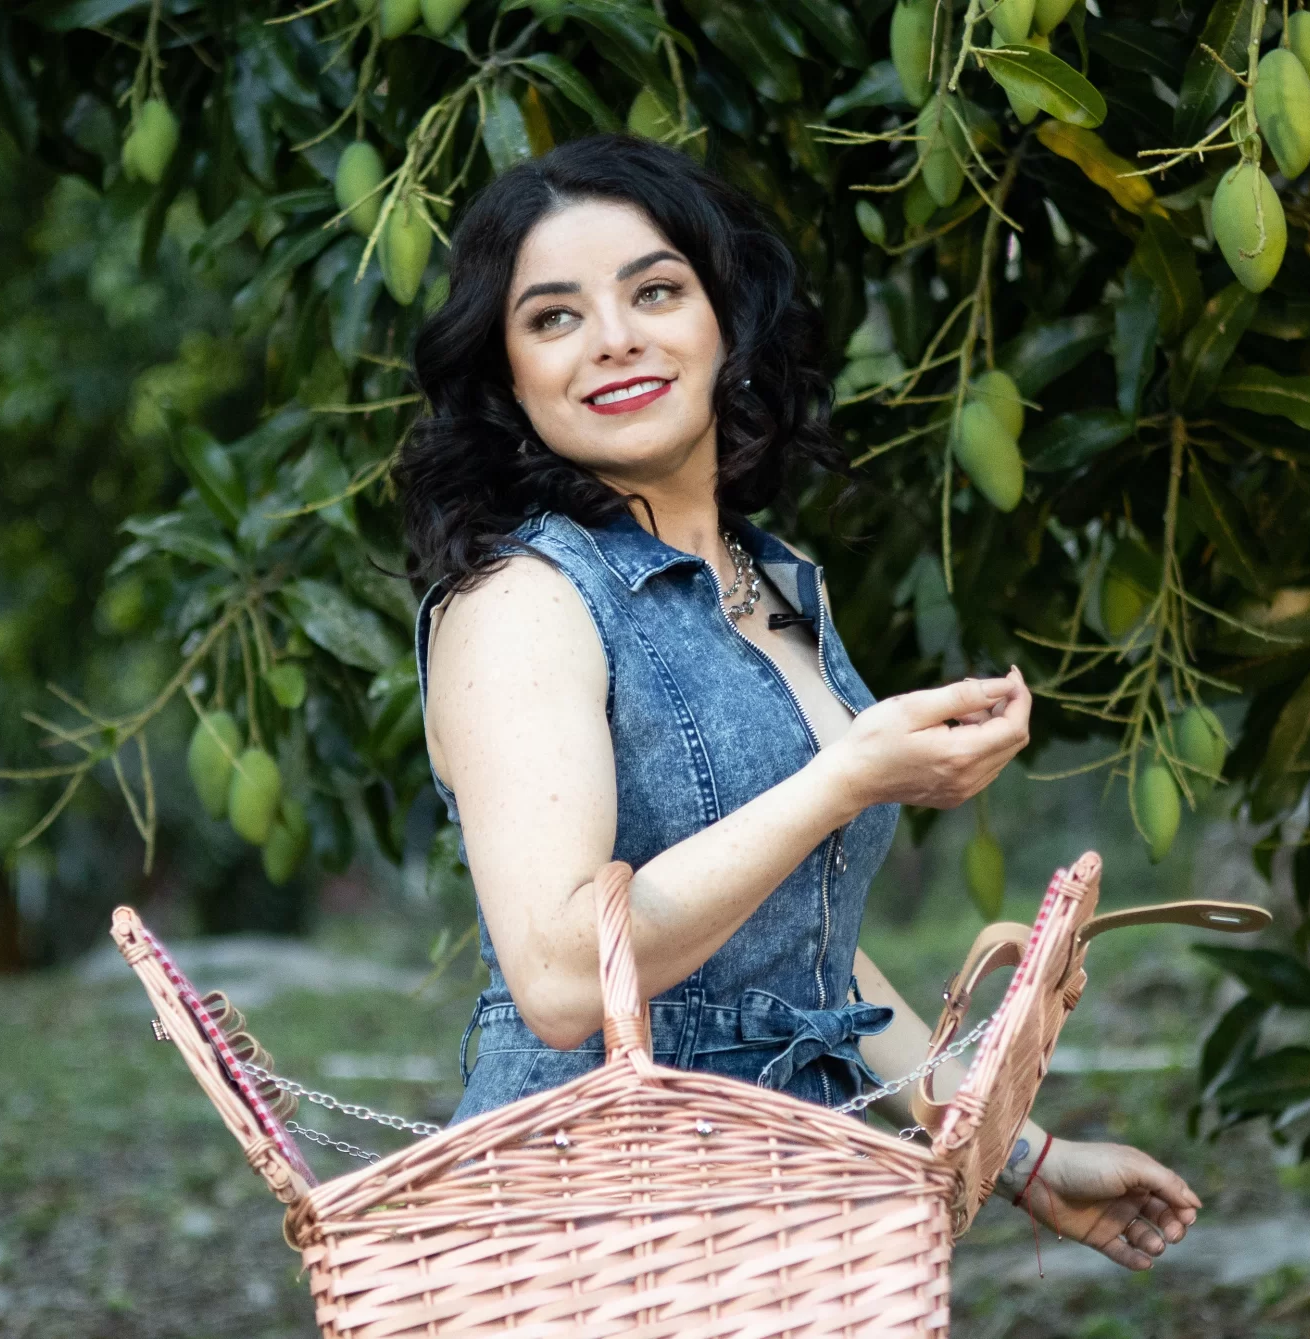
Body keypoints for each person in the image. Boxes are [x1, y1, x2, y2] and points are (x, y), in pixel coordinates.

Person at [396, 134, 1196, 1270]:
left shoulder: (771, 586)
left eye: (655, 291)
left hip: (778, 1204)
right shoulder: (525, 603)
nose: (614, 338)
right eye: (554, 316)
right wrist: (846, 778)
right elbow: (565, 975)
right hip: (592, 1221)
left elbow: (797, 953)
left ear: (727, 320)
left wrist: (1017, 1153)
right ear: (508, 375)